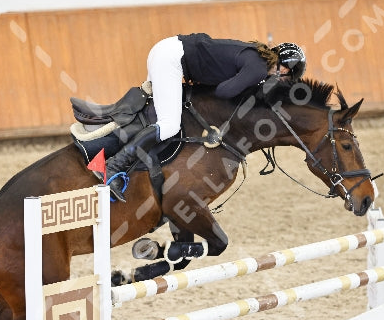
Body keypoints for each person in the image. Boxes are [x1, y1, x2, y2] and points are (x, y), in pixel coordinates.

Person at [102, 33, 305, 201]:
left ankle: (126, 166)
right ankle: (113, 167)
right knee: (169, 125)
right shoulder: (258, 69)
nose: (281, 81)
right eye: (287, 78)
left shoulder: (257, 59)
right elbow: (224, 92)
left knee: (153, 118)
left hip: (168, 50)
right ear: (285, 69)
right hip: (171, 60)